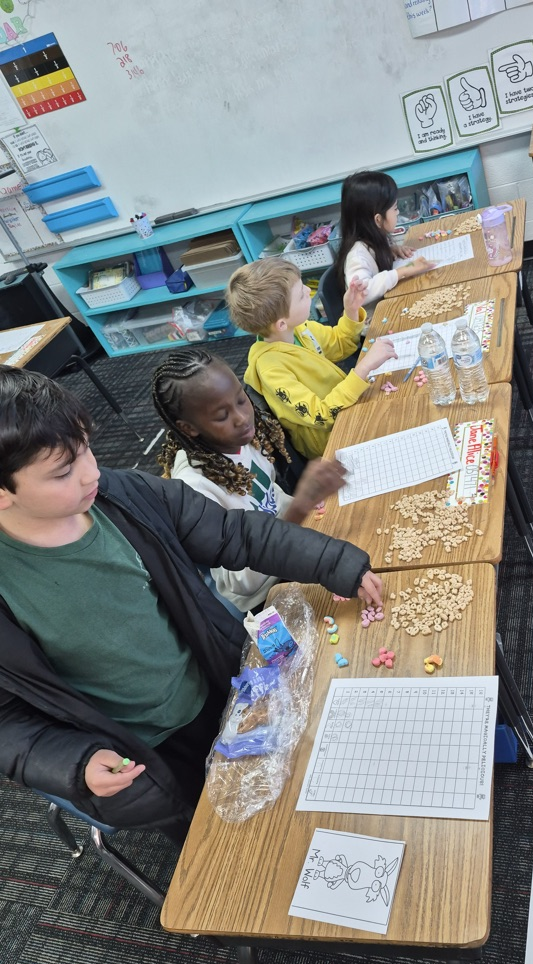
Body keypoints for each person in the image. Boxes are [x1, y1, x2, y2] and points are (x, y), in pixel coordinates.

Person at [0, 365, 382, 842]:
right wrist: (75, 762)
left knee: (299, 783)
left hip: (217, 681)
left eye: (86, 449)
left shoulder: (123, 494)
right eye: (63, 471)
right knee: (229, 844)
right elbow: (9, 723)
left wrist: (336, 563)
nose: (91, 472)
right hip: (148, 751)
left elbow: (233, 532)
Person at [151, 347, 347, 614]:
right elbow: (240, 581)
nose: (243, 418)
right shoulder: (195, 489)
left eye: (242, 399)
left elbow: (269, 494)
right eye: (222, 416)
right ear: (188, 428)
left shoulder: (242, 439)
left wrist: (308, 501)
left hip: (290, 544)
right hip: (266, 595)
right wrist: (298, 509)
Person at [227, 257, 397, 459]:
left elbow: (339, 345)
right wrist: (363, 368)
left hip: (348, 408)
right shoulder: (271, 370)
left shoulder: (300, 329)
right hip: (332, 442)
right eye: (301, 295)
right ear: (281, 324)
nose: (309, 291)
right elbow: (321, 415)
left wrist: (351, 311)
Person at [334, 170, 436, 313]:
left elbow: (374, 261)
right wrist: (402, 271)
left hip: (389, 304)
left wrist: (390, 250)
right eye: (394, 208)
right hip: (374, 324)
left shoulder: (371, 239)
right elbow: (363, 292)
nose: (398, 212)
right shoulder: (356, 256)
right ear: (378, 219)